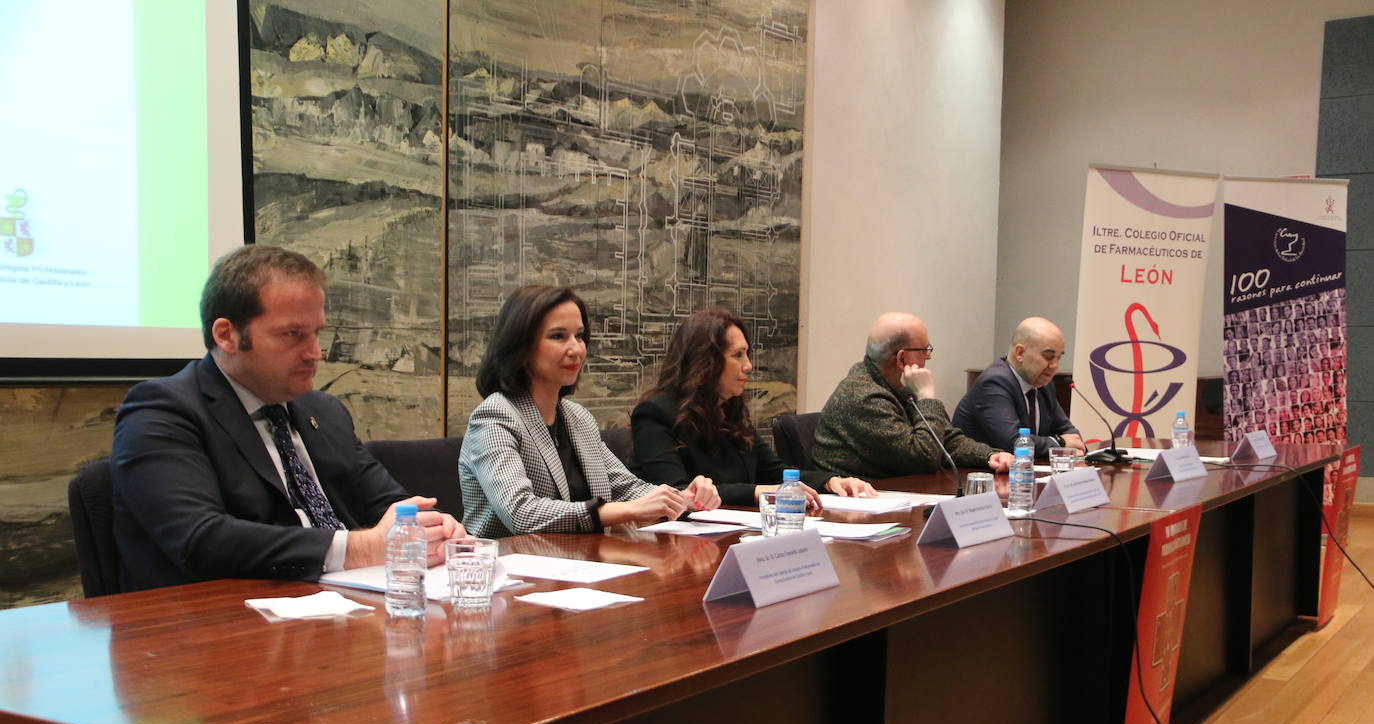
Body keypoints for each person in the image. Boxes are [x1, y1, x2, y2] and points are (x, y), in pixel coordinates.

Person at [111, 245, 462, 591]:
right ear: (227, 335)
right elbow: (201, 539)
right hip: (221, 622)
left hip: (346, 605)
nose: (315, 353)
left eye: (317, 333)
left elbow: (388, 504)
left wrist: (431, 526)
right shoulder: (162, 410)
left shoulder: (323, 411)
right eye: (292, 334)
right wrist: (362, 547)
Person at [460, 285, 719, 538]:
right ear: (521, 347)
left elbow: (627, 488)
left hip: (577, 562)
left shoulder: (577, 417)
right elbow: (521, 512)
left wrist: (682, 499)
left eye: (580, 336)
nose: (576, 349)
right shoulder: (495, 416)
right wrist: (624, 511)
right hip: (507, 569)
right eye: (558, 336)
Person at [631, 308, 875, 508]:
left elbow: (774, 471)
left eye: (747, 354)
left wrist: (830, 481)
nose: (748, 366)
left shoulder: (729, 410)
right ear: (706, 361)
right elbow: (678, 493)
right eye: (738, 355)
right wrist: (761, 491)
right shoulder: (654, 414)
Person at [812, 312, 1012, 478]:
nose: (928, 356)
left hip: (893, 493)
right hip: (855, 508)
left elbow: (946, 439)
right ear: (902, 358)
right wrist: (926, 397)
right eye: (925, 350)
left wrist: (989, 455)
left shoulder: (896, 385)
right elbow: (924, 458)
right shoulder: (863, 396)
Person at [952, 317, 1086, 459]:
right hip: (979, 476)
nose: (1054, 366)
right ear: (1020, 353)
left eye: (1059, 358)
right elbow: (1014, 442)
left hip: (1022, 473)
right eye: (1048, 357)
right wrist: (1061, 442)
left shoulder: (1043, 384)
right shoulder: (994, 383)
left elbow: (1067, 430)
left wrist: (1074, 442)